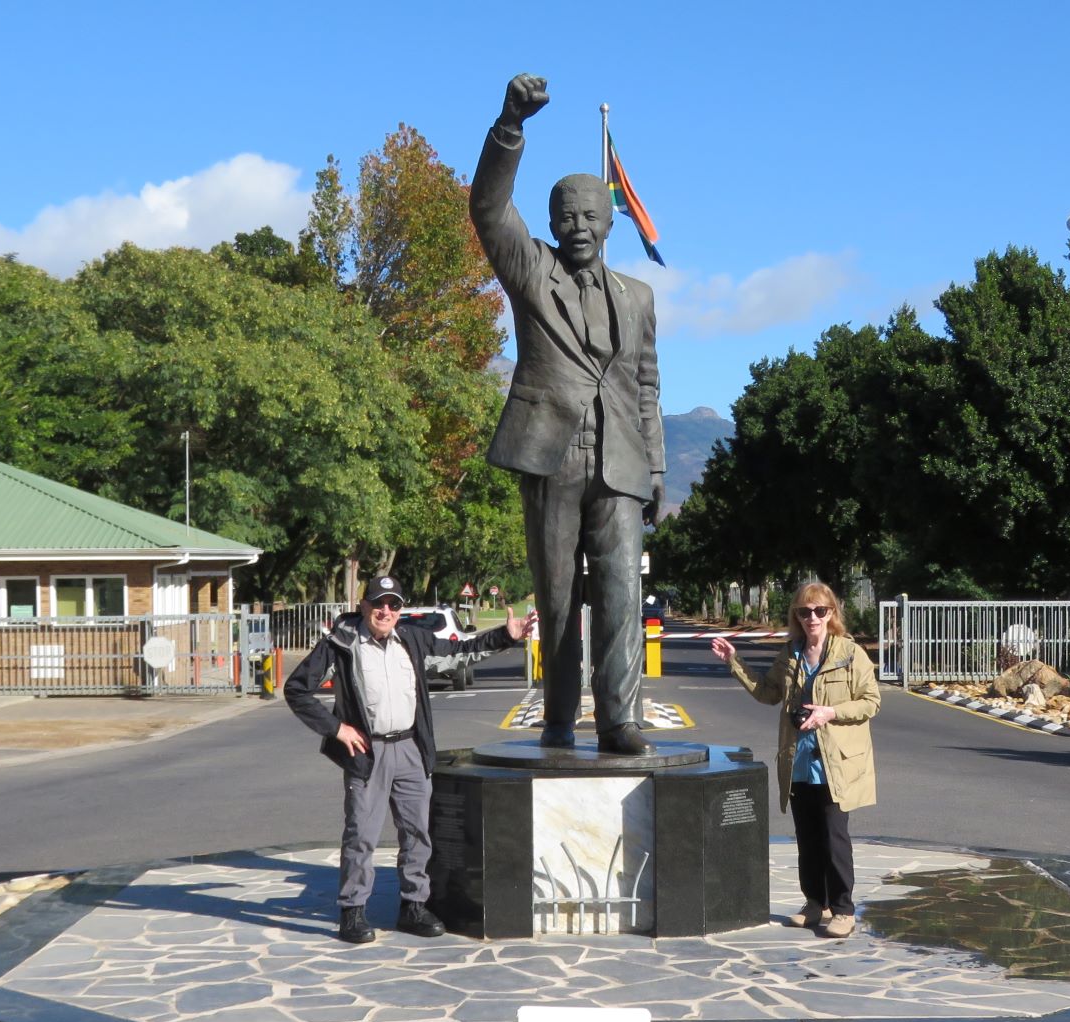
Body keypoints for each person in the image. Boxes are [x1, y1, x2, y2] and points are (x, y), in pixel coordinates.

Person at [472, 73, 665, 757]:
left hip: (621, 464)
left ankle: (620, 721)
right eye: (566, 217)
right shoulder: (533, 273)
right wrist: (509, 127)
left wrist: (659, 464)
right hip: (550, 456)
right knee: (558, 602)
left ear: (610, 221)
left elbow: (646, 383)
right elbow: (490, 211)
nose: (578, 227)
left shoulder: (638, 296)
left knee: (619, 600)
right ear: (552, 224)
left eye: (590, 216)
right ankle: (558, 719)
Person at [285, 575, 537, 944]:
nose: (385, 611)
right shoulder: (341, 643)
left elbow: (461, 650)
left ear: (400, 610)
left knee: (418, 833)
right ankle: (353, 912)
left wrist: (505, 635)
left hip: (410, 748)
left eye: (393, 604)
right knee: (361, 836)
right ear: (364, 606)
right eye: (378, 603)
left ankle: (413, 906)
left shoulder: (412, 640)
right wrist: (336, 729)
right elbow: (297, 690)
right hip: (366, 752)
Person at [711, 582, 881, 938]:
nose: (812, 618)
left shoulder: (850, 654)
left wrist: (830, 712)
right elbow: (768, 693)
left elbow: (870, 702)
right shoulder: (790, 653)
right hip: (799, 758)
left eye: (820, 611)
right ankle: (814, 903)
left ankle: (843, 909)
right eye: (804, 612)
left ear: (832, 613)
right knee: (807, 837)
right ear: (796, 616)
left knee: (834, 836)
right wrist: (734, 661)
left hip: (836, 762)